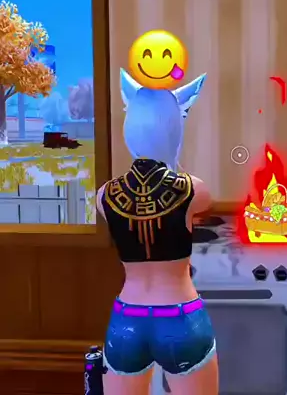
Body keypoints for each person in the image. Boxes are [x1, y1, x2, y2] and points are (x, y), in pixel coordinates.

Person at [96, 80, 218, 395]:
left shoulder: (105, 195)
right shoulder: (193, 189)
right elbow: (199, 197)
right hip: (180, 316)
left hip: (128, 318)